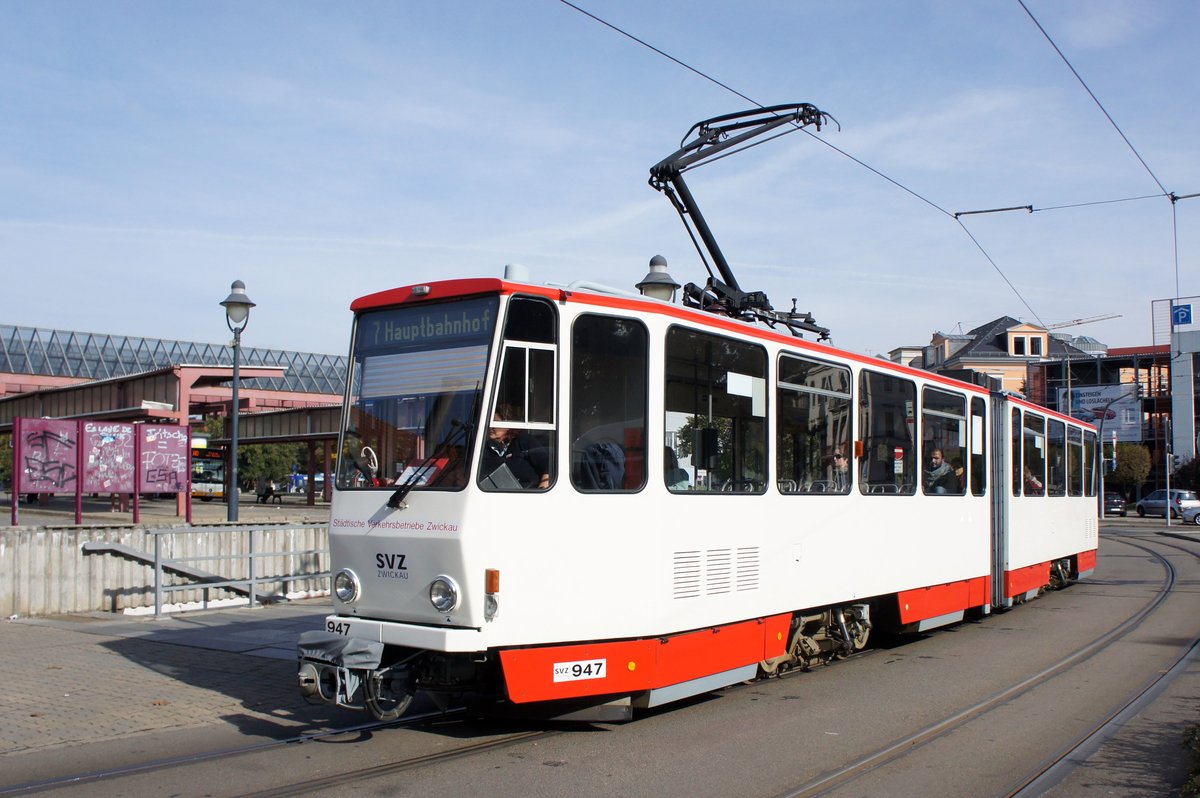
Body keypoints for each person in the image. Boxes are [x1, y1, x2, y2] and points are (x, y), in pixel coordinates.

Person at [481, 405, 550, 490]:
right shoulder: (484, 449)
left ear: (508, 423)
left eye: (495, 422)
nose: (490, 427)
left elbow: (548, 465)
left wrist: (542, 489)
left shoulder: (524, 441)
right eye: (489, 422)